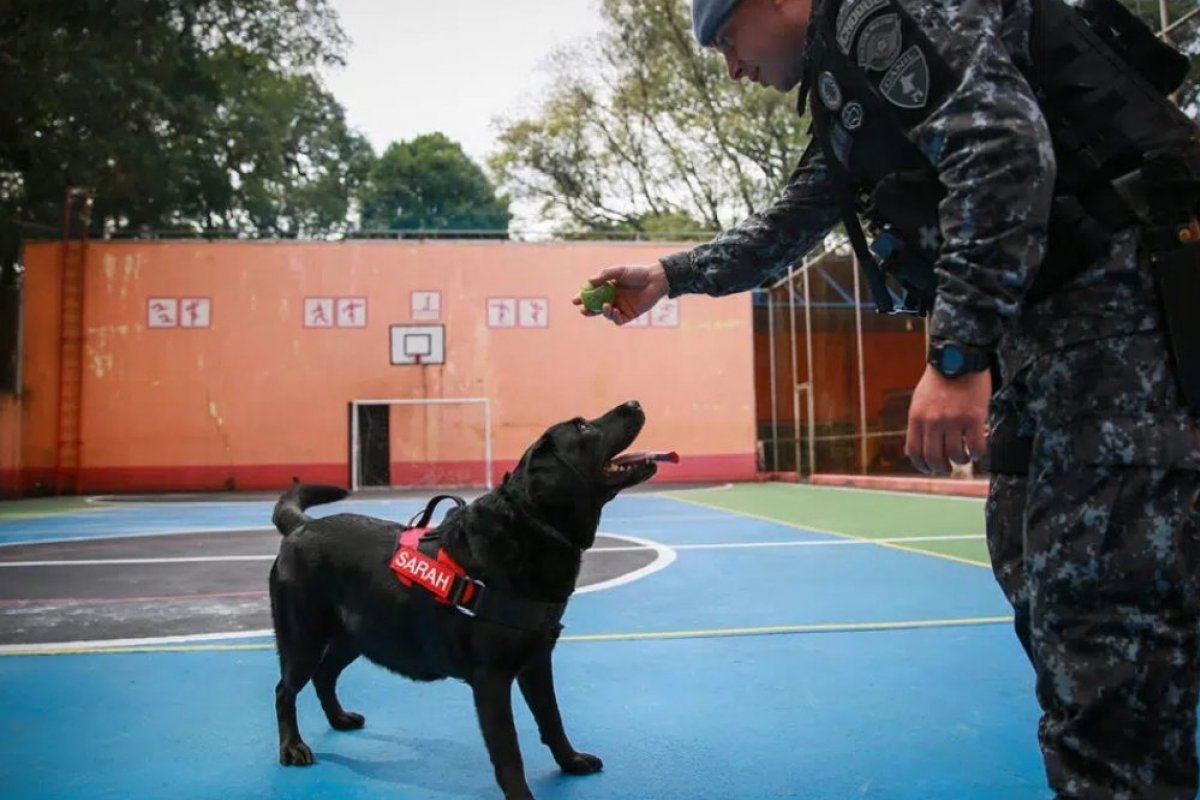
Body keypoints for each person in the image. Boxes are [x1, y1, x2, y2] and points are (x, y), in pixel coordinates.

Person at [572, 0, 1200, 796]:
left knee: (1101, 619)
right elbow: (793, 222)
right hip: (1052, 339)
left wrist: (959, 350)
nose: (731, 65)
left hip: (1120, 324)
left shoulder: (884, 13)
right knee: (1041, 579)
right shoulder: (851, 80)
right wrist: (671, 276)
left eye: (728, 38)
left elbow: (1002, 148)